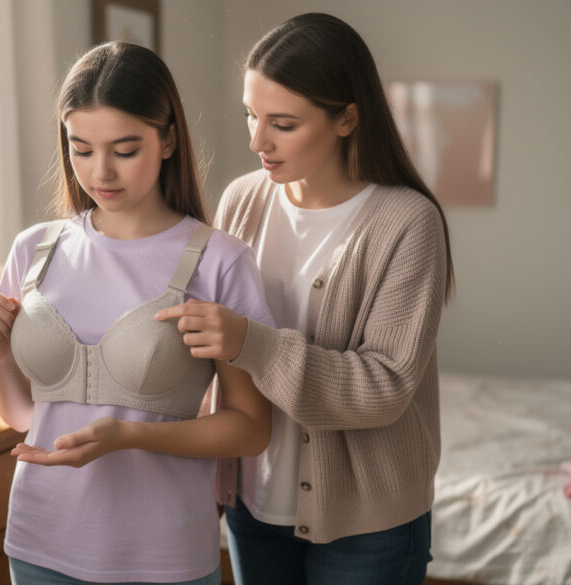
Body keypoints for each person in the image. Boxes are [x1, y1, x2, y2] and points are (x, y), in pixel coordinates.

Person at [155, 13, 455, 585]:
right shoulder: (243, 199)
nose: (256, 142)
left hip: (368, 524)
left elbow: (384, 387)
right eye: (251, 115)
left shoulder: (407, 222)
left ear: (347, 118)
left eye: (283, 124)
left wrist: (253, 345)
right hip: (253, 500)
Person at [0, 41, 273, 585]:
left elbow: (249, 429)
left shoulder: (219, 261)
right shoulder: (36, 250)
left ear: (169, 139)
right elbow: (24, 418)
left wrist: (131, 436)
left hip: (162, 554)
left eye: (124, 150)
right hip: (39, 544)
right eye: (80, 149)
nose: (99, 172)